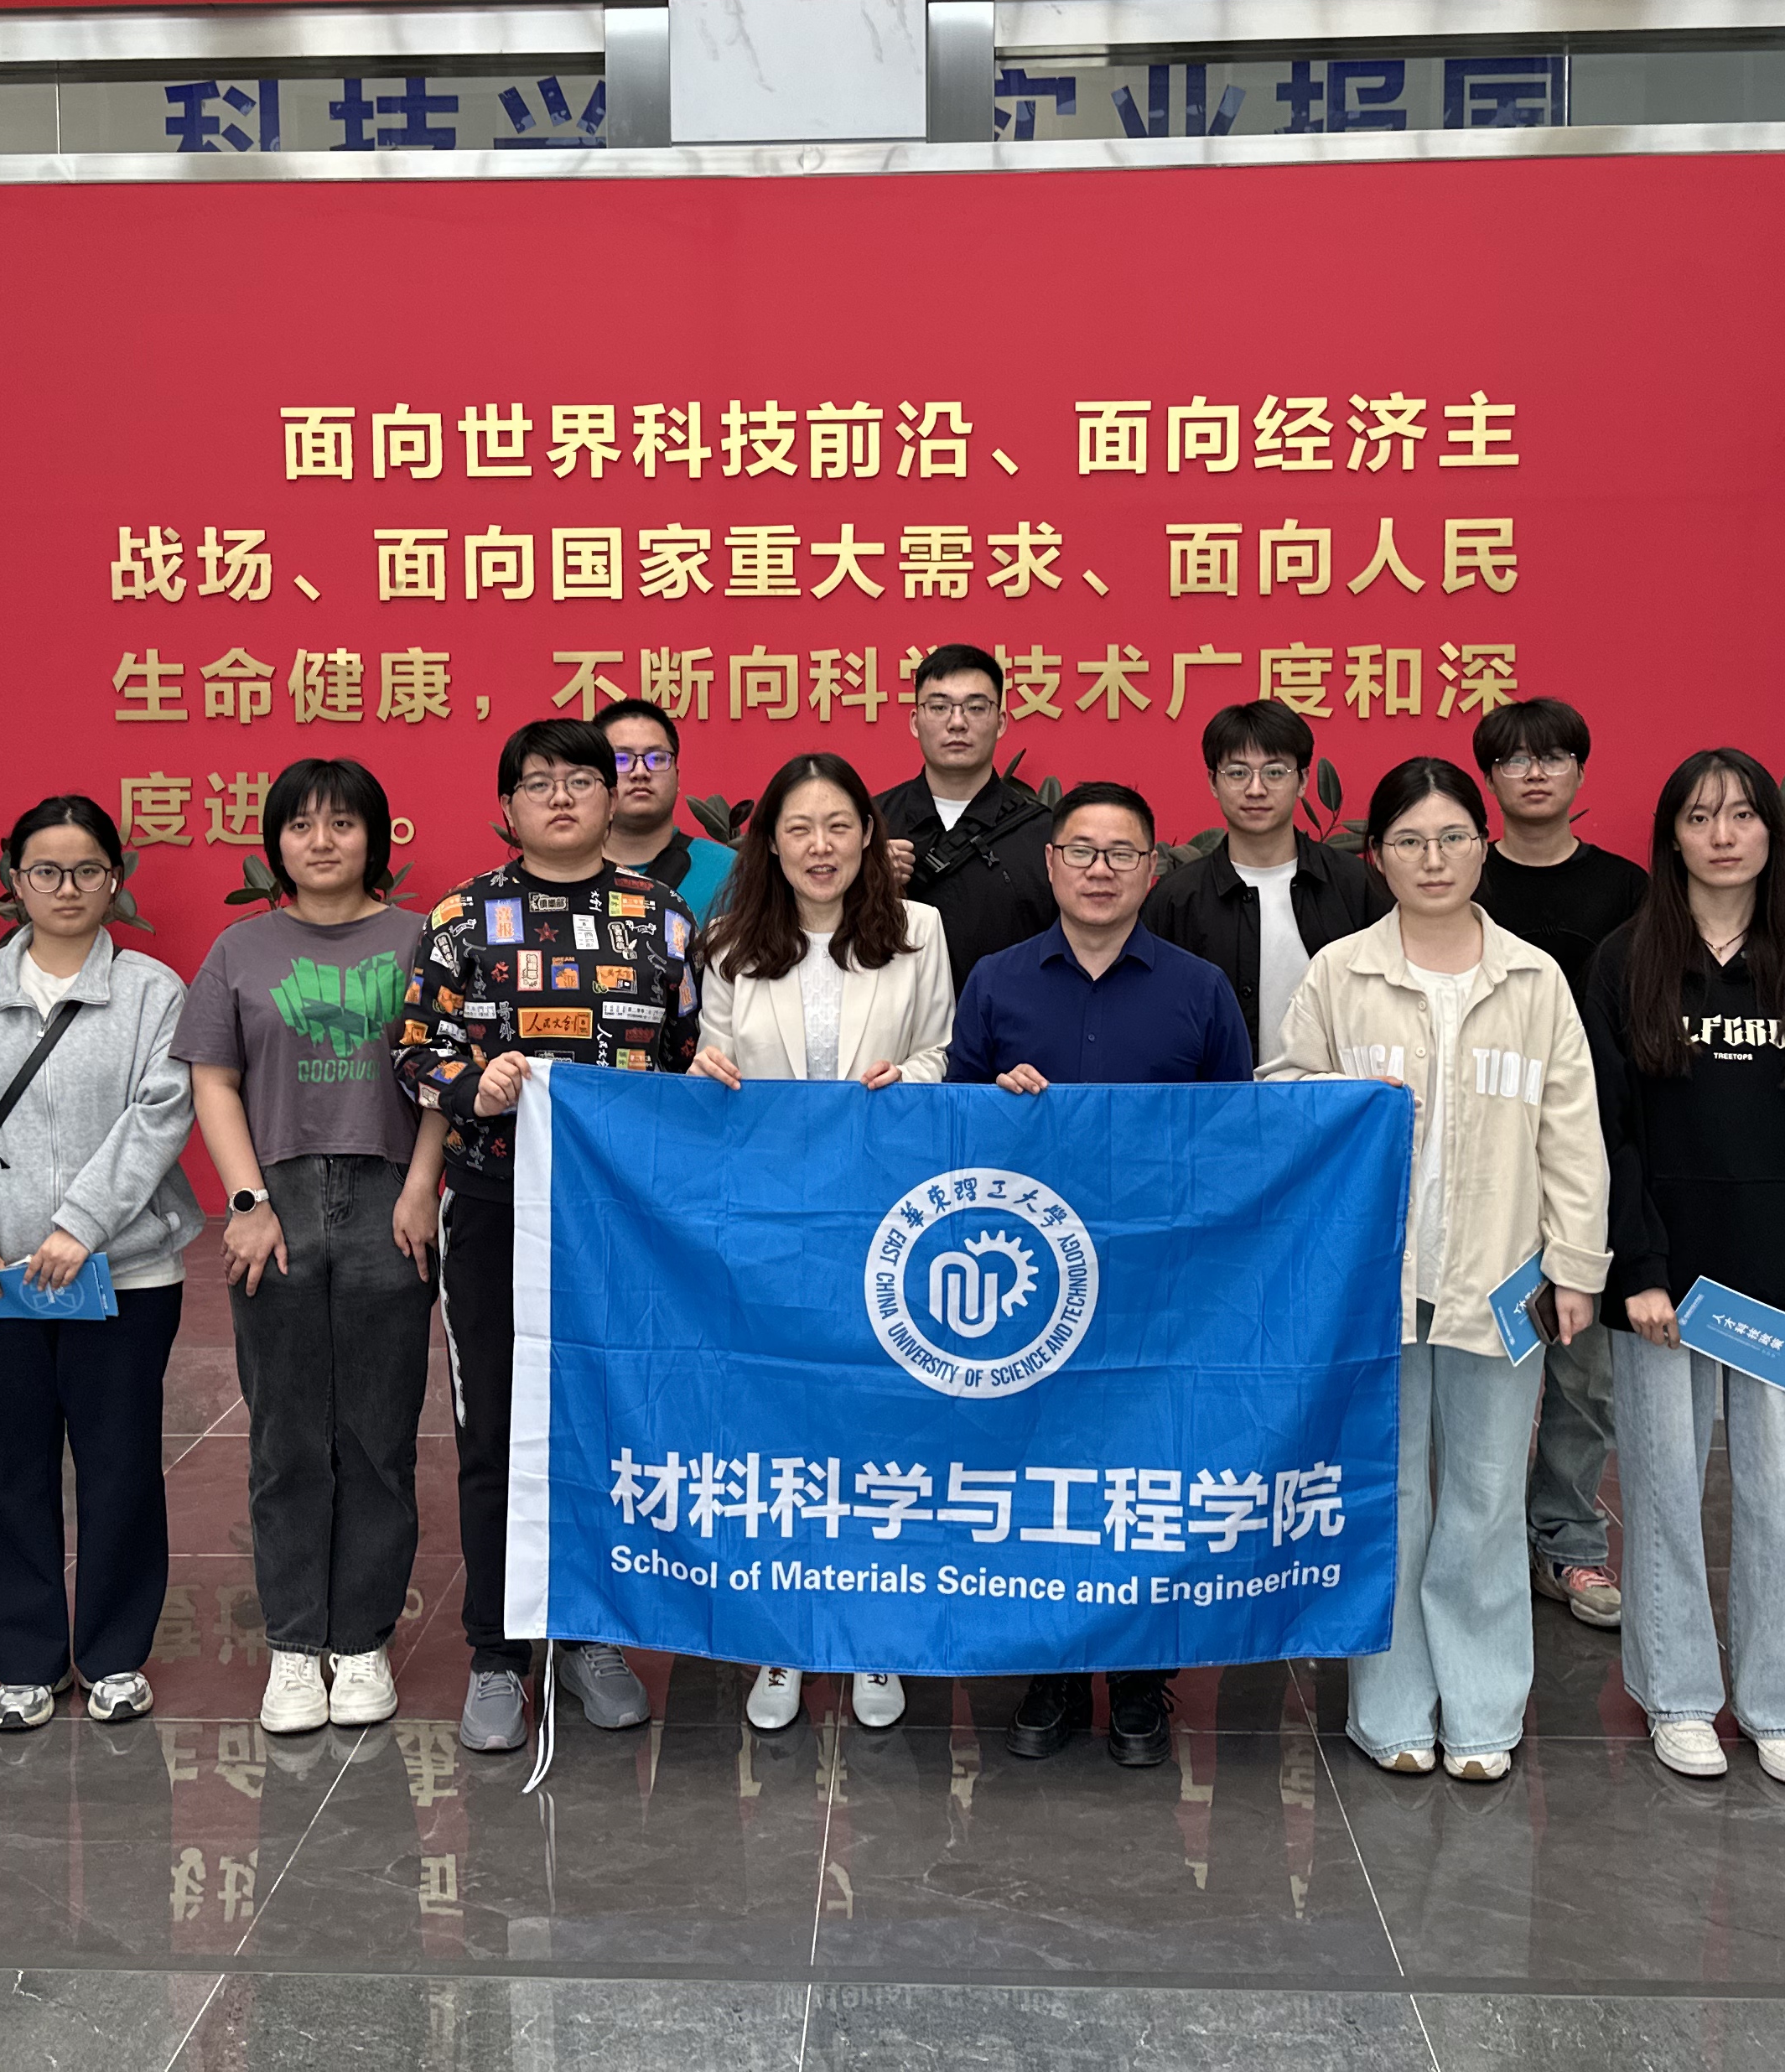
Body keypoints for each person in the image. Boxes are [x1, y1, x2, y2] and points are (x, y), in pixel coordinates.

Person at [1266, 758, 1610, 1782]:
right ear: (1377, 857)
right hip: (1375, 1284)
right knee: (1392, 1499)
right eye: (1410, 842)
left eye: (1453, 837)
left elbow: (1572, 1135)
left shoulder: (1534, 979)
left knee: (1487, 1498)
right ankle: (1391, 1711)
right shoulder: (1342, 972)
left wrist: (1575, 1266)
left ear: (1483, 846)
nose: (1433, 859)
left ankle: (1485, 1711)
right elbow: (1285, 1092)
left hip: (1502, 1281)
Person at [1586, 747, 1785, 1789]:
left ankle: (1776, 1706)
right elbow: (1606, 1133)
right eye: (1699, 816)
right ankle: (1678, 1699)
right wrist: (1638, 1267)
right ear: (1670, 836)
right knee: (1663, 1497)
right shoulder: (1626, 962)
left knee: (1780, 1500)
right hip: (1664, 1290)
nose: (1722, 835)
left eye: (1742, 815)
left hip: (1783, 1293)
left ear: (1774, 832)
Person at [394, 719, 702, 1755]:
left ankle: (589, 1636)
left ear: (614, 799)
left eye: (582, 779)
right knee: (495, 1427)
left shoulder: (661, 918)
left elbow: (690, 1058)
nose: (562, 797)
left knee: (606, 1424)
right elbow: (415, 1051)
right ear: (508, 807)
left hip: (621, 1221)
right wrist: (469, 1085)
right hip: (495, 1204)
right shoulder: (463, 917)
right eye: (538, 783)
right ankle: (497, 1652)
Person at [945, 780, 1251, 1769]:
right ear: (1052, 864)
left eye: (1123, 853)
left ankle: (1142, 1678)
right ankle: (1054, 1671)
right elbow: (950, 1130)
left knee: (1147, 1478)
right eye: (1082, 850)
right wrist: (996, 1102)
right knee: (1040, 1477)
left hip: (1160, 1284)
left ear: (1152, 869)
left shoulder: (1200, 989)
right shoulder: (996, 982)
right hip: (1028, 1286)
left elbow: (1236, 1138)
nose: (1101, 870)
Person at [0, 794, 205, 1733]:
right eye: (46, 870)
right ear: (15, 881)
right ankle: (25, 1660)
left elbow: (160, 1117)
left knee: (120, 1465)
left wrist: (81, 1223)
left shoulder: (153, 993)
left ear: (115, 879)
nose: (66, 888)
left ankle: (114, 1655)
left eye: (86, 870)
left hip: (123, 1274)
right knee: (9, 1467)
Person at [178, 758, 449, 1738]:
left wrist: (421, 1189)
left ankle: (363, 1640)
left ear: (377, 838)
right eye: (301, 825)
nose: (322, 841)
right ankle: (295, 1645)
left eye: (342, 823)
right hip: (277, 1199)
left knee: (379, 1434)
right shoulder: (240, 949)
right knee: (286, 1436)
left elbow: (443, 1077)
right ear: (275, 843)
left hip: (389, 1197)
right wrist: (246, 1201)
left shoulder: (422, 940)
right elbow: (214, 1081)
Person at [693, 751, 957, 1737]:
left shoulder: (920, 932)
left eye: (838, 825)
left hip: (886, 1217)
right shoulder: (728, 943)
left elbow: (945, 1051)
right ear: (769, 843)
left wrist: (910, 1079)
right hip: (770, 1224)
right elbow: (713, 1063)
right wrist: (707, 1069)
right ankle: (784, 1636)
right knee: (780, 1426)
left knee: (880, 1424)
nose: (819, 846)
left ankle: (877, 1630)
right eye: (798, 828)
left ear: (868, 837)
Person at [1471, 695, 1653, 1637]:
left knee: (1585, 1372)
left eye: (1553, 758)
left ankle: (1569, 1539)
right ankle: (1480, 1540)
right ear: (1489, 778)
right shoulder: (1458, 875)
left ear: (1581, 771)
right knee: (1478, 1362)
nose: (1534, 773)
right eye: (1514, 760)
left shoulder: (1626, 890)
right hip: (1479, 1156)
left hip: (1589, 1149)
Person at [1140, 698, 1387, 1067]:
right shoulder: (1177, 899)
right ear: (1213, 782)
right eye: (1238, 773)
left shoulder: (1355, 885)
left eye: (1274, 772)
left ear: (1303, 780)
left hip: (1334, 1097)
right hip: (1216, 1098)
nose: (1256, 789)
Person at [875, 641, 1054, 991]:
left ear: (1000, 722)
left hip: (1009, 1023)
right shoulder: (870, 825)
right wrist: (864, 879)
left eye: (975, 707)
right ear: (915, 721)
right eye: (939, 707)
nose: (957, 723)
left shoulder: (1043, 833)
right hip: (896, 1026)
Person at [594, 698, 736, 927]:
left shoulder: (732, 871)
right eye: (621, 759)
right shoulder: (564, 871)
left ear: (677, 777)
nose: (640, 772)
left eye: (657, 759)